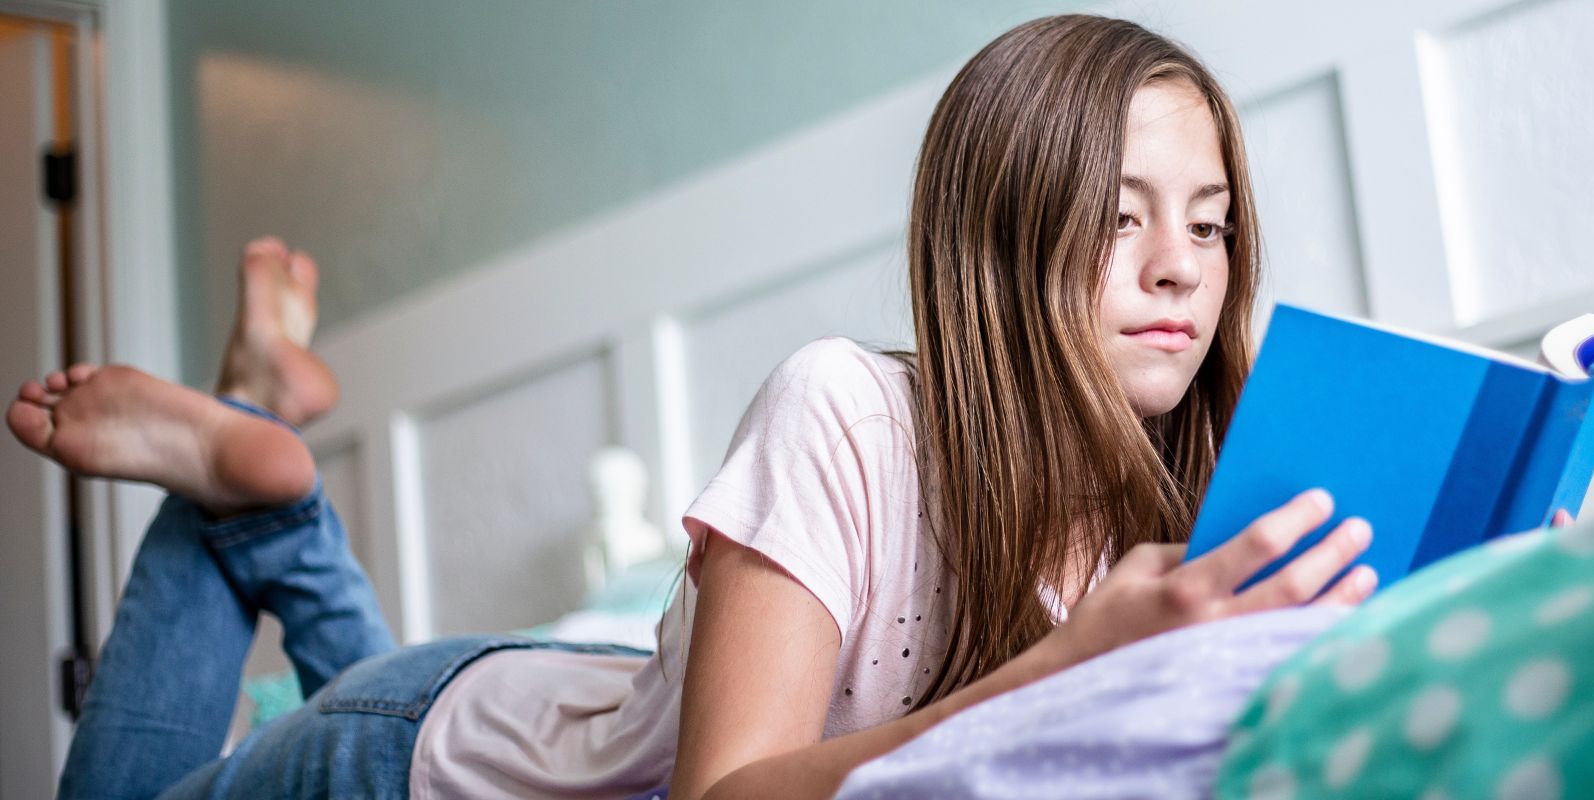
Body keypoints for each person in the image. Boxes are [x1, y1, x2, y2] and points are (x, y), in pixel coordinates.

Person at [6, 15, 1382, 800]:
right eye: (1123, 217)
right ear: (1005, 235)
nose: (1178, 270)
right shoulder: (846, 410)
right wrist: (1066, 663)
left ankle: (266, 474)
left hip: (559, 719)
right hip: (425, 760)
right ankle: (262, 463)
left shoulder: (1194, 510)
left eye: (1207, 227)